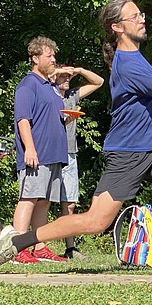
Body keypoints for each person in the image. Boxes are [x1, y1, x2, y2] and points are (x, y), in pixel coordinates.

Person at [0, 0, 152, 277]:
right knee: (94, 221)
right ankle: (17, 241)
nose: (141, 19)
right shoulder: (130, 64)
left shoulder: (137, 59)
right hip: (126, 154)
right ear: (117, 27)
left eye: (141, 14)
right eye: (134, 16)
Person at [9, 36, 70, 265]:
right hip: (37, 155)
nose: (53, 59)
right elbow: (23, 119)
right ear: (35, 58)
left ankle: (40, 247)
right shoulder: (28, 84)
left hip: (54, 155)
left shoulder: (51, 88)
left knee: (44, 202)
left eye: (54, 54)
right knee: (29, 198)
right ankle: (17, 247)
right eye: (49, 55)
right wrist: (30, 149)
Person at [52, 64, 105, 259]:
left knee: (70, 203)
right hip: (50, 153)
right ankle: (37, 246)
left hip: (70, 153)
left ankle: (70, 248)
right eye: (63, 76)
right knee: (43, 201)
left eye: (69, 77)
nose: (67, 79)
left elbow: (99, 82)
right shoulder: (47, 93)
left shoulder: (72, 96)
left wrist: (80, 70)